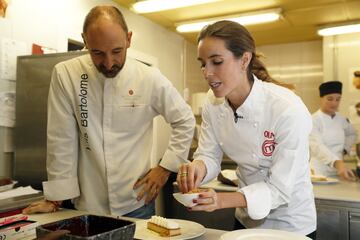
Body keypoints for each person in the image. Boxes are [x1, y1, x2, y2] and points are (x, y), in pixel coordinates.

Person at [22, 5, 195, 219]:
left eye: (116, 51)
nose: (109, 62)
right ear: (85, 40)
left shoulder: (149, 77)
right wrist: (55, 198)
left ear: (128, 39)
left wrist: (165, 169)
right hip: (87, 202)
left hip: (136, 201)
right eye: (97, 53)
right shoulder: (66, 74)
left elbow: (185, 120)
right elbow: (61, 138)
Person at [176, 20, 316, 239]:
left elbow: (279, 189)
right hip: (246, 218)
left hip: (290, 223)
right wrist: (198, 167)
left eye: (217, 62)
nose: (207, 72)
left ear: (244, 60)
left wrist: (220, 200)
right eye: (203, 63)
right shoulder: (212, 104)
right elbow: (209, 154)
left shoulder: (287, 108)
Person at [309, 81, 357, 181]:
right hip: (319, 172)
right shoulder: (313, 120)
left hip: (338, 171)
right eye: (330, 99)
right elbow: (317, 146)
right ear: (321, 98)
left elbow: (352, 134)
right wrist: (337, 163)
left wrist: (345, 149)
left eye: (338, 99)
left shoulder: (342, 119)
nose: (334, 103)